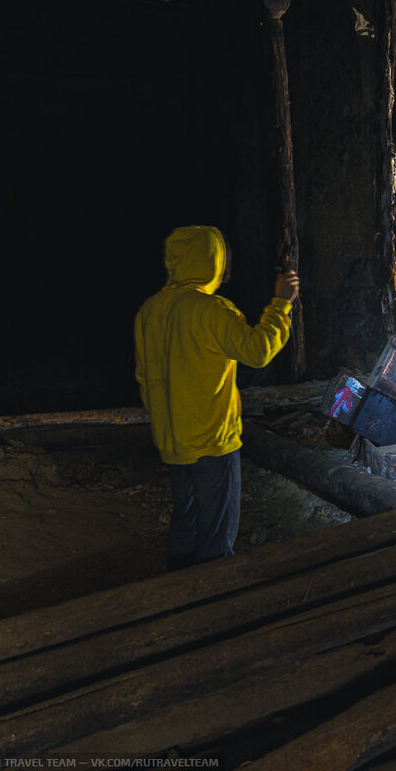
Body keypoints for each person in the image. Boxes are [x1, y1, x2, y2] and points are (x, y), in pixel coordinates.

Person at [134, 225, 299, 570]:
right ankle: (214, 602)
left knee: (186, 519)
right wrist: (281, 304)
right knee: (216, 534)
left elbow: (144, 376)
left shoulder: (149, 311)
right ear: (211, 263)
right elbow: (257, 351)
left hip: (171, 441)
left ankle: (178, 589)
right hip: (211, 440)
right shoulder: (211, 310)